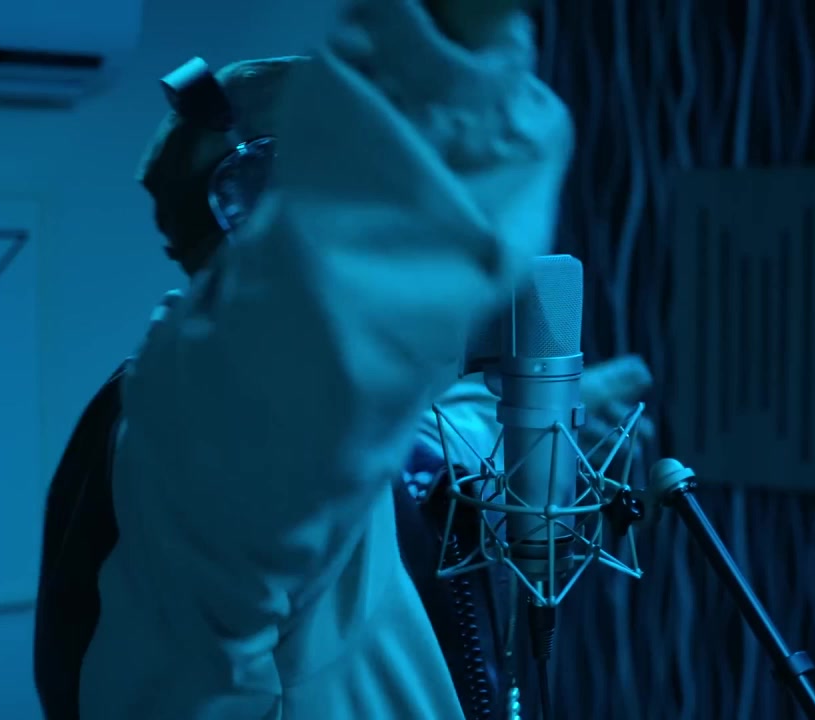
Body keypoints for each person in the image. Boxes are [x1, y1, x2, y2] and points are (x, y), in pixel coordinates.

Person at [35, 1, 654, 718]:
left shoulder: (280, 437)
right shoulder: (205, 432)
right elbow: (299, 378)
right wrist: (450, 55)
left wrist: (542, 432)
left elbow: (408, 447)